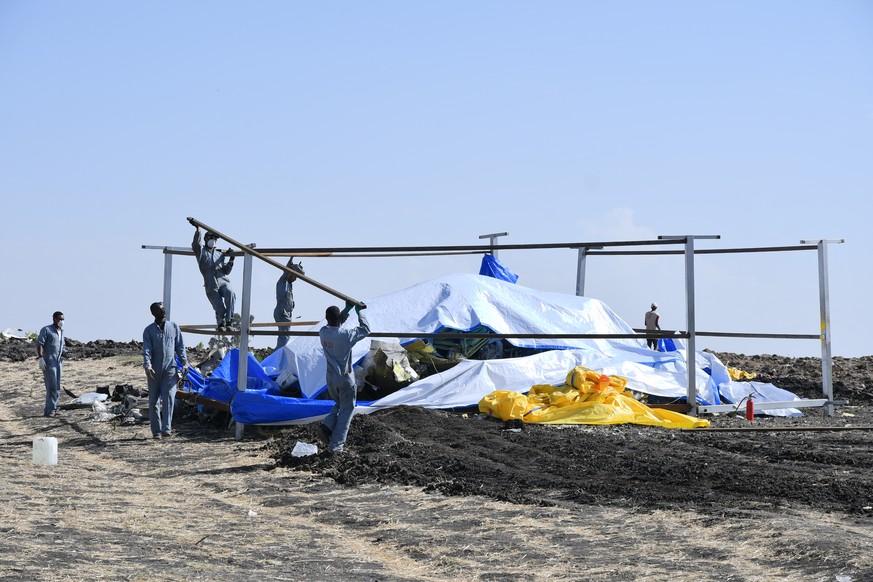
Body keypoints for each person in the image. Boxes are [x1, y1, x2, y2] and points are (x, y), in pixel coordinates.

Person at [316, 300, 370, 455]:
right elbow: (365, 329)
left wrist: (347, 309)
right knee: (347, 411)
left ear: (326, 319)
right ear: (338, 318)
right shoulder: (346, 335)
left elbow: (336, 323)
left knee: (339, 404)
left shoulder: (323, 332)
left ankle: (327, 425)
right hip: (345, 378)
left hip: (331, 379)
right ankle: (336, 447)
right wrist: (360, 312)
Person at [142, 302, 188, 440]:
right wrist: (147, 365)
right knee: (153, 400)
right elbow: (147, 350)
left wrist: (185, 363)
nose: (163, 311)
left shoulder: (173, 327)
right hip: (154, 370)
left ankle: (166, 429)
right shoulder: (148, 330)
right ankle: (156, 431)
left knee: (169, 397)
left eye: (163, 308)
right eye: (159, 309)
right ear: (153, 313)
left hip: (170, 367)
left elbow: (180, 346)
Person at [192, 226, 236, 331]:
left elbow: (226, 271)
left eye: (215, 239)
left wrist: (231, 260)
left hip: (223, 281)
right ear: (206, 239)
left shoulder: (220, 254)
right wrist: (198, 231)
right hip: (211, 284)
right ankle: (221, 324)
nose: (214, 241)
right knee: (220, 308)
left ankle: (229, 322)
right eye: (211, 238)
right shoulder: (202, 252)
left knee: (230, 293)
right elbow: (196, 245)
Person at [37, 311, 66, 417]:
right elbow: (40, 344)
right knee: (51, 386)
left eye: (63, 319)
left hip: (58, 362)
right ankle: (49, 411)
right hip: (49, 362)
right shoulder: (46, 330)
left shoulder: (61, 331)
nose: (61, 321)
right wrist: (41, 358)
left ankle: (53, 408)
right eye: (59, 319)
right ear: (54, 319)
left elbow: (62, 346)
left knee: (57, 386)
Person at [274, 258, 304, 350]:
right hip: (282, 313)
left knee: (285, 337)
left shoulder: (290, 285)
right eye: (295, 276)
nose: (295, 279)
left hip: (286, 314)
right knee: (284, 338)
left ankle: (279, 354)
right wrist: (290, 261)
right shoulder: (283, 282)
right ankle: (277, 355)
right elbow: (286, 271)